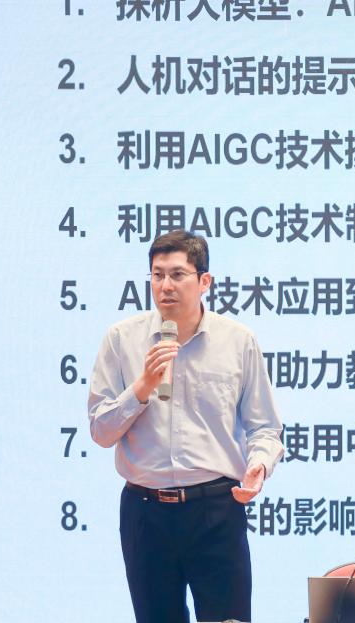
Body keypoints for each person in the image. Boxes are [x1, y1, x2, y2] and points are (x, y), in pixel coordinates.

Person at [88, 230, 284, 623]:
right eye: (157, 275)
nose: (165, 286)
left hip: (216, 510)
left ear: (204, 281)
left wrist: (259, 465)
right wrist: (142, 387)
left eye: (177, 274)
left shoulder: (238, 341)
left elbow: (265, 426)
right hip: (145, 513)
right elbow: (100, 431)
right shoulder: (121, 339)